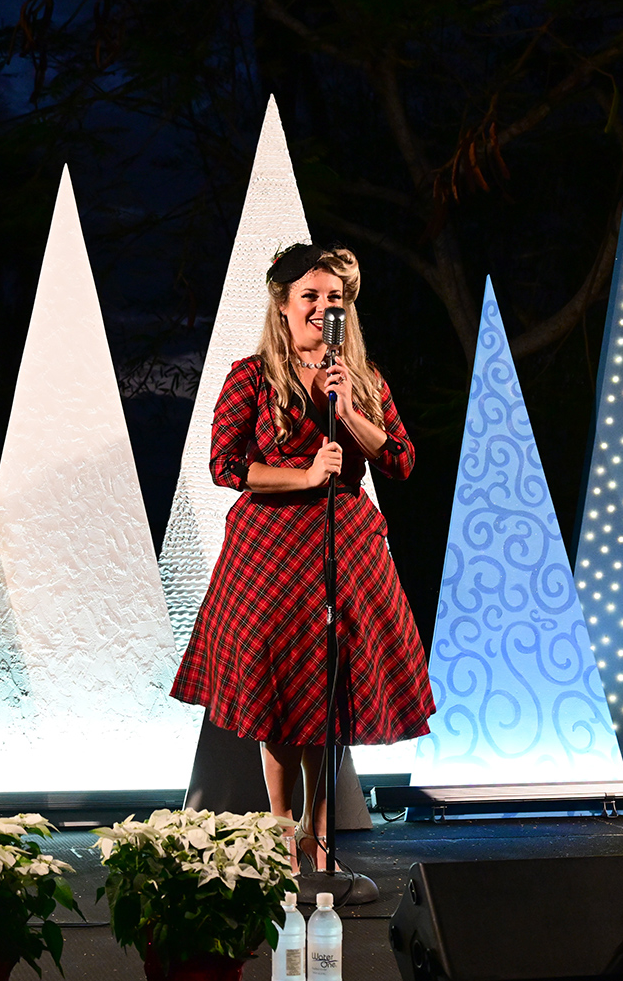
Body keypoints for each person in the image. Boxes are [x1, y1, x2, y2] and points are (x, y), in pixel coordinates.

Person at [172, 244, 435, 871]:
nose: (322, 307)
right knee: (281, 693)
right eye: (309, 296)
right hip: (272, 552)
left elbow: (400, 460)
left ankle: (319, 842)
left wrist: (351, 413)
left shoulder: (363, 379)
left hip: (346, 546)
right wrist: (307, 474)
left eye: (333, 297)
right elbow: (225, 467)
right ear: (284, 305)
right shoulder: (251, 376)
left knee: (328, 693)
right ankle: (282, 834)